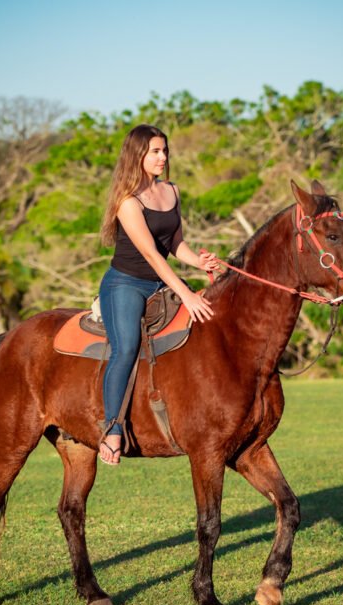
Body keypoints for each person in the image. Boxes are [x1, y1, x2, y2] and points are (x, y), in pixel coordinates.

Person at [97, 124, 219, 466]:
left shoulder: (172, 191)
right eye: (155, 151)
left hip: (161, 283)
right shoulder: (128, 202)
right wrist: (187, 293)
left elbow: (173, 243)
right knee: (126, 349)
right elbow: (151, 254)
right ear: (138, 155)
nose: (162, 157)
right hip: (126, 284)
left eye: (164, 150)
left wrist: (198, 260)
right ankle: (113, 428)